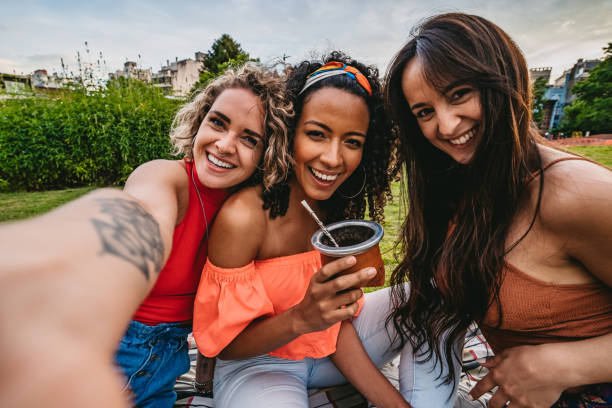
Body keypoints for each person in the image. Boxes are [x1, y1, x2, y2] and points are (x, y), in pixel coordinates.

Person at [0, 63, 291, 408]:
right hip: (109, 354)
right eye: (218, 122)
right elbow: (141, 220)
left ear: (266, 154)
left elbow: (220, 301)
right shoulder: (165, 178)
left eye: (248, 138)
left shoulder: (246, 212)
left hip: (164, 373)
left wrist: (207, 364)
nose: (225, 145)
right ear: (199, 122)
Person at [192, 52, 461, 408]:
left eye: (352, 142)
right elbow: (223, 346)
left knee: (438, 298)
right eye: (317, 134)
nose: (334, 159)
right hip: (257, 367)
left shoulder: (333, 205)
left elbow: (338, 328)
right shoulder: (244, 217)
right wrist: (301, 318)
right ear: (287, 132)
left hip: (325, 354)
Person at [384, 12, 612, 408]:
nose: (447, 125)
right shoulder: (463, 182)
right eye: (424, 112)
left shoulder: (575, 194)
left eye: (459, 94)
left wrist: (563, 364)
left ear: (502, 82)